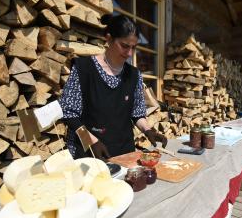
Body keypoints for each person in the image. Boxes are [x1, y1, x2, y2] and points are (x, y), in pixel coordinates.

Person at [59, 14, 167, 160]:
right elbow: (70, 115)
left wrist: (148, 130)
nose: (129, 53)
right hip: (89, 154)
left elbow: (137, 113)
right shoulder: (84, 69)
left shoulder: (134, 75)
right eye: (124, 46)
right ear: (109, 39)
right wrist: (92, 142)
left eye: (134, 47)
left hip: (124, 153)